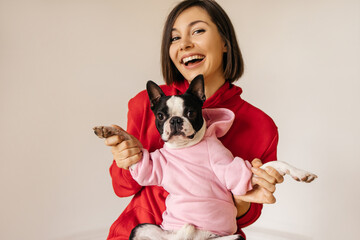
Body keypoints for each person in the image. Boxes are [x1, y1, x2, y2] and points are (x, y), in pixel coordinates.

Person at [104, 0, 284, 239]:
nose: (185, 44)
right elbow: (122, 187)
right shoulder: (144, 104)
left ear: (225, 43)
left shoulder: (260, 125)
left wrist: (244, 197)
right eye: (174, 38)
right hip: (142, 232)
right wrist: (126, 159)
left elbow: (249, 214)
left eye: (198, 31)